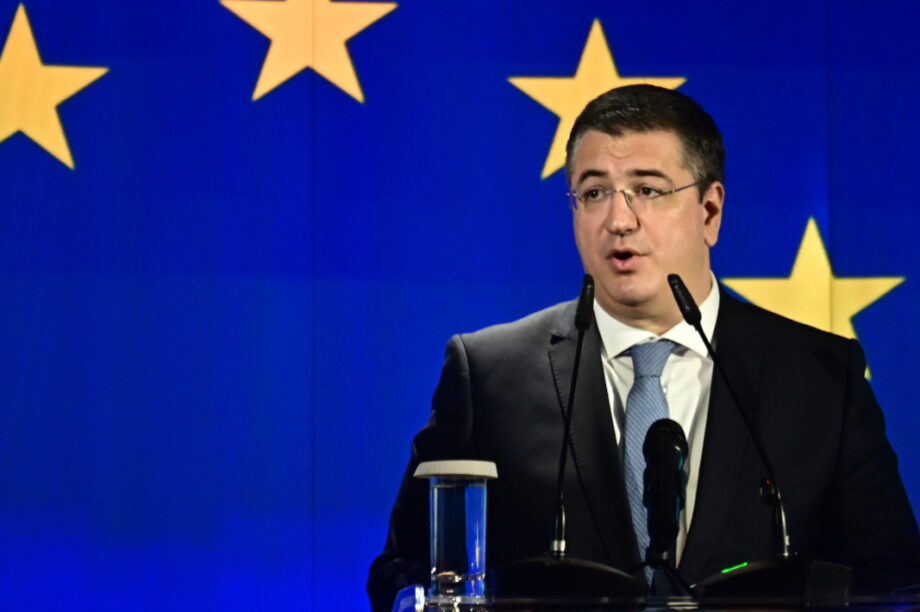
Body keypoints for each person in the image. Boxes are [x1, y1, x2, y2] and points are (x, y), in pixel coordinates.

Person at [367, 85, 920, 611]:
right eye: (593, 193)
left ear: (710, 211)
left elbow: (892, 580)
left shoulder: (820, 376)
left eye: (648, 190)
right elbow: (404, 571)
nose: (618, 220)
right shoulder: (490, 374)